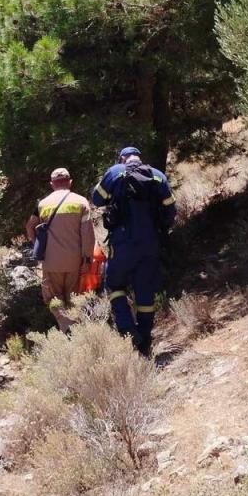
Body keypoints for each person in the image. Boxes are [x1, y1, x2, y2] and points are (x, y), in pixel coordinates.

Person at [91, 145, 176, 356]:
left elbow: (97, 199)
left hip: (122, 243)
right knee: (145, 294)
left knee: (114, 285)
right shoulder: (157, 176)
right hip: (150, 244)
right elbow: (170, 209)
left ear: (122, 158)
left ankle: (128, 328)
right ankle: (145, 341)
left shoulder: (114, 172)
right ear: (140, 157)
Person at [26, 167, 95, 334]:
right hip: (75, 262)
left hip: (51, 263)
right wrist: (87, 259)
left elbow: (30, 226)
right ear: (70, 182)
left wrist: (37, 244)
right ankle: (73, 330)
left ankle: (66, 329)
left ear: (52, 184)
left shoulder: (42, 204)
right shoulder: (81, 202)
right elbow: (88, 235)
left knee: (53, 299)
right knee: (73, 299)